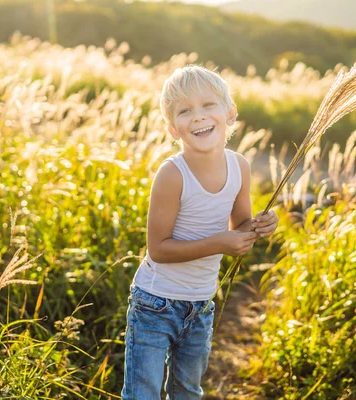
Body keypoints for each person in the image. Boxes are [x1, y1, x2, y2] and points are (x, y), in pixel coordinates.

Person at [121, 65, 278, 399]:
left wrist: (262, 225)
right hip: (155, 303)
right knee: (142, 393)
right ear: (172, 129)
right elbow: (159, 249)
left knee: (188, 391)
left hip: (201, 303)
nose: (198, 116)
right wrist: (219, 243)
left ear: (230, 114)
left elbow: (241, 229)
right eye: (184, 111)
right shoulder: (172, 175)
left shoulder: (240, 167)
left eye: (208, 105)